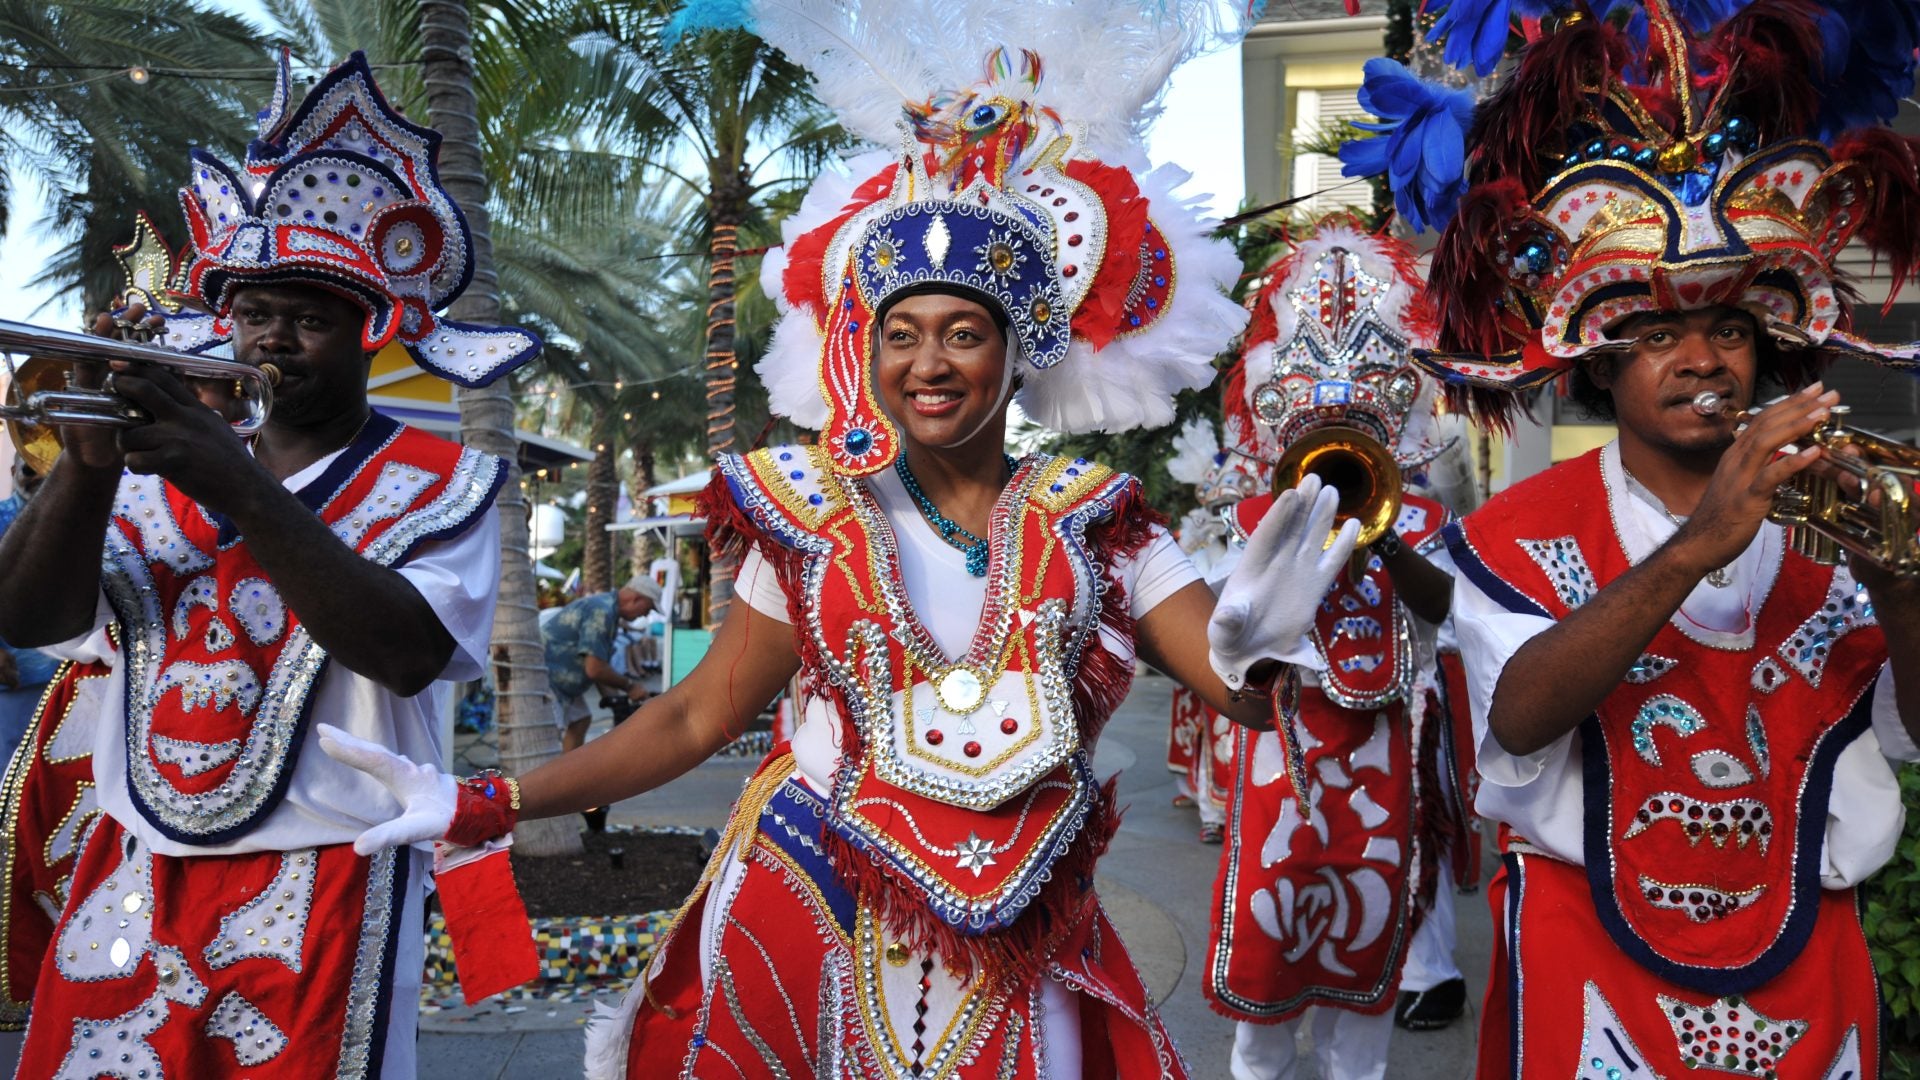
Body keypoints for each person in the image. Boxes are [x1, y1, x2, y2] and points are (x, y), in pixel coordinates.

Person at [316, 2, 1378, 1075]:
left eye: (965, 333)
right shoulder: (812, 513)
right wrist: (487, 798)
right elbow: (693, 715)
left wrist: (1261, 651)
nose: (930, 363)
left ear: (1018, 356)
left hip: (1021, 932)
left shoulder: (1093, 517)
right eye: (902, 335)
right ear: (864, 355)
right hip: (807, 908)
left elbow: (1234, 678)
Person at [1345, 2, 1920, 1073]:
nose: (1705, 359)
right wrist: (1698, 546)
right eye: (1661, 333)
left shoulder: (1831, 515)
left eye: (1732, 329)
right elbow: (1516, 720)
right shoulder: (1519, 529)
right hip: (1588, 955)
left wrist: (1899, 586)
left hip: (1809, 956)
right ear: (1604, 364)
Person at [0, 51, 539, 1075]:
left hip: (331, 874)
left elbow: (405, 648)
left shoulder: (444, 477)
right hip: (134, 870)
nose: (274, 341)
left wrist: (235, 486)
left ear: (367, 330)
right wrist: (86, 464)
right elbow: (27, 621)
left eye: (309, 317)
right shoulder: (149, 469)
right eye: (255, 313)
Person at [1202, 221, 1460, 1080]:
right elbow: (1230, 636)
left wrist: (1379, 537)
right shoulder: (1254, 522)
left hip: (1385, 775)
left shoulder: (1420, 526)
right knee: (1269, 966)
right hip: (1283, 766)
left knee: (1366, 986)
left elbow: (1450, 611)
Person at [1164, 418, 1263, 843]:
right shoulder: (1200, 541)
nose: (1227, 516)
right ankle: (1213, 812)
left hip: (1254, 657)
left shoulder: (1257, 537)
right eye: (1221, 509)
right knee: (1215, 735)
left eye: (1232, 507)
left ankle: (1241, 809)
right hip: (1210, 651)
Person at [543, 576, 660, 753]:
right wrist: (630, 687)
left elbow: (597, 663)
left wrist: (613, 698)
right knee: (548, 736)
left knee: (580, 720)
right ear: (637, 599)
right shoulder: (601, 612)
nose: (646, 615)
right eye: (648, 608)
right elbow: (595, 668)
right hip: (547, 679)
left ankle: (570, 771)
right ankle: (549, 776)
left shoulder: (609, 611)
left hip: (560, 678)